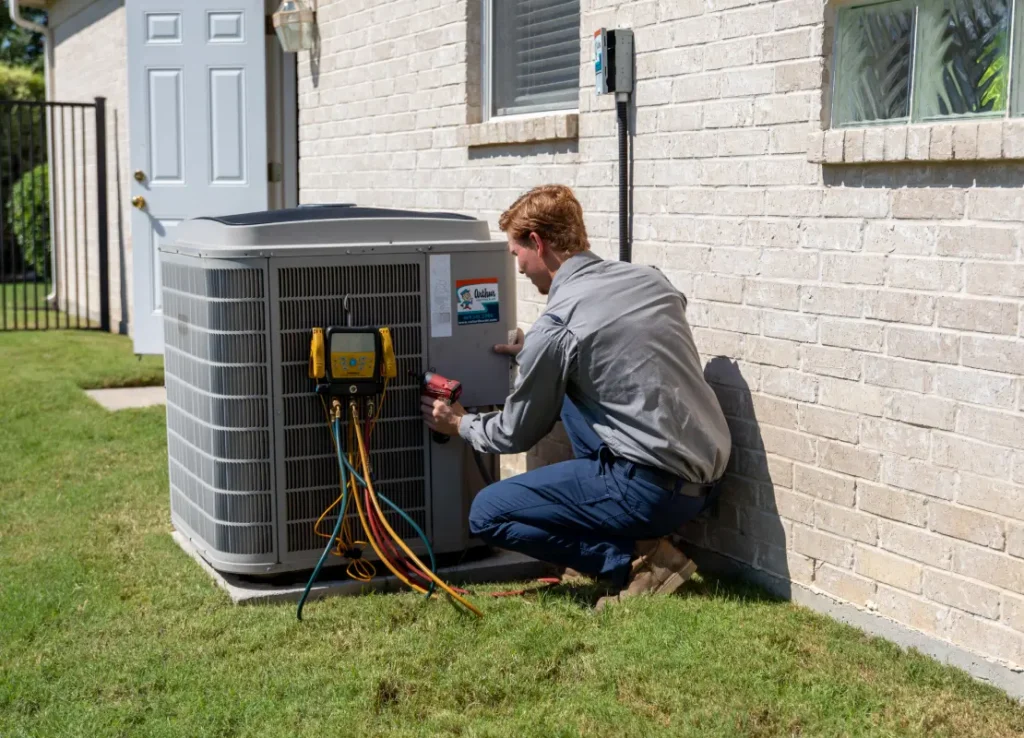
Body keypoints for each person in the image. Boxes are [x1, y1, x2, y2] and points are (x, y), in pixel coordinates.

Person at [421, 184, 731, 609]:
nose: (521, 269)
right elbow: (613, 348)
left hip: (653, 492)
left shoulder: (558, 327)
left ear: (537, 242)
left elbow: (514, 435)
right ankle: (631, 531)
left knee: (488, 513)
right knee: (567, 388)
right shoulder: (649, 279)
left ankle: (633, 563)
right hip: (708, 478)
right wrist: (537, 354)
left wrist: (458, 423)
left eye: (518, 256)